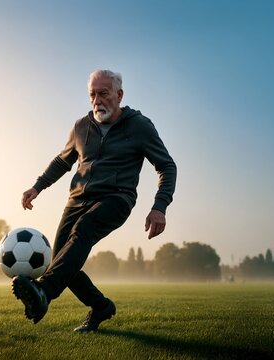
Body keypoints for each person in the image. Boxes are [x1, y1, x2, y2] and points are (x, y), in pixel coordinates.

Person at [12, 69, 177, 332]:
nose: (97, 100)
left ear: (119, 95)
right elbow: (62, 161)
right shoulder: (80, 126)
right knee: (62, 260)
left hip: (116, 198)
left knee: (84, 229)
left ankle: (44, 291)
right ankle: (101, 306)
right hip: (76, 200)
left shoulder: (139, 126)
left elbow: (167, 166)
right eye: (92, 94)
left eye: (103, 93)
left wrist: (159, 207)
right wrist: (37, 187)